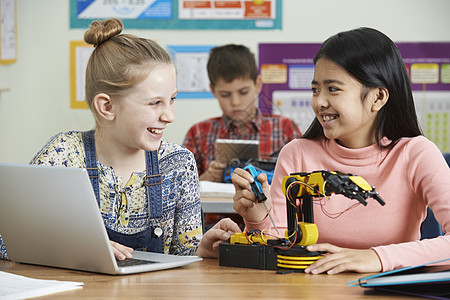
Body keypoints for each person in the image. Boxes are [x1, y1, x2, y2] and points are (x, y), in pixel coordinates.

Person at [0, 18, 240, 261]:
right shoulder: (63, 155)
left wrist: (202, 249)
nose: (169, 116)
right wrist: (74, 247)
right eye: (155, 102)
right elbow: (6, 241)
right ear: (107, 106)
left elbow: (185, 254)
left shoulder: (178, 163)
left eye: (173, 99)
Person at [231, 27, 450, 274]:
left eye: (332, 89)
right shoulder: (297, 154)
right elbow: (282, 248)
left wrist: (376, 258)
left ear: (377, 97)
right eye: (315, 89)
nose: (319, 102)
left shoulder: (417, 154)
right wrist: (257, 217)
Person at [183, 44, 302, 182]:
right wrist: (205, 179)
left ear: (257, 84)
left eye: (243, 92)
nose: (235, 102)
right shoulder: (198, 133)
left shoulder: (285, 129)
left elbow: (302, 182)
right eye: (225, 94)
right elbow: (180, 192)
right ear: (213, 90)